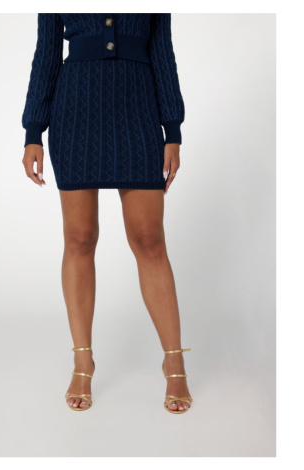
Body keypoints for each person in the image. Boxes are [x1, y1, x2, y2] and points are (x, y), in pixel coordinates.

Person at [21, 13, 193, 414]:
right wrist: (33, 131)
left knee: (149, 240)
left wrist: (172, 129)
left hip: (138, 111)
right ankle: (83, 360)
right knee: (79, 238)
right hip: (75, 113)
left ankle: (174, 360)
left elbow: (162, 50)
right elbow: (46, 54)